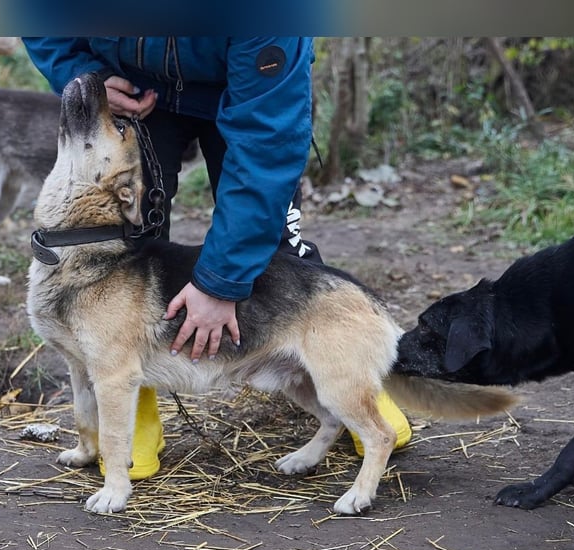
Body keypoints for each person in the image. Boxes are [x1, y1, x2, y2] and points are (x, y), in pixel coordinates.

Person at [22, 37, 410, 477]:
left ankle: (352, 378)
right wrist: (82, 69)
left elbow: (268, 146)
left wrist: (221, 282)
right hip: (133, 84)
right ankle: (131, 406)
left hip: (251, 89)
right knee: (133, 241)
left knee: (274, 248)